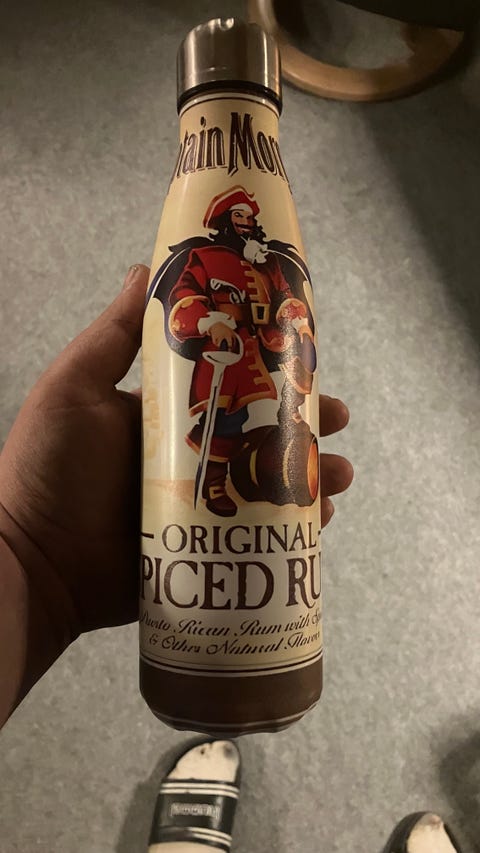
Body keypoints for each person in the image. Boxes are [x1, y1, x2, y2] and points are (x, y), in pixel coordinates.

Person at [0, 263, 353, 727]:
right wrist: (208, 319)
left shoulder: (270, 265)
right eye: (240, 222)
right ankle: (215, 479)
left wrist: (288, 315)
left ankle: (256, 472)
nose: (245, 227)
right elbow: (182, 302)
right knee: (222, 418)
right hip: (222, 358)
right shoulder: (203, 260)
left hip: (265, 357)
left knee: (280, 421)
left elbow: (287, 299)